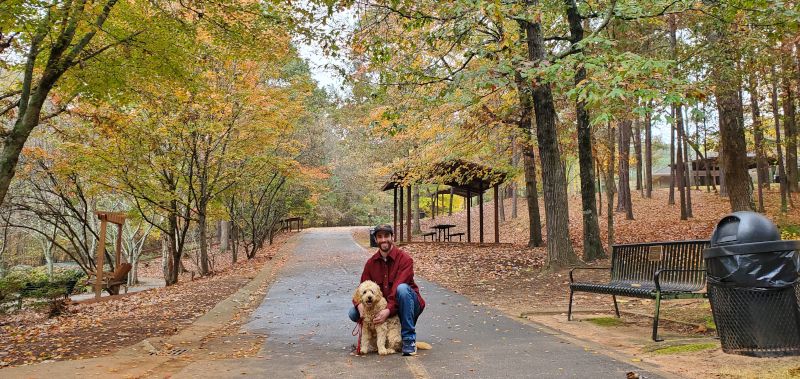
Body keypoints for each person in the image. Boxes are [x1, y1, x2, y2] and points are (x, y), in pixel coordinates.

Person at [349, 224, 425, 356]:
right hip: (385, 307)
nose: (383, 239)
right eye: (380, 237)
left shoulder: (405, 259)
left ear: (392, 237)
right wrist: (358, 304)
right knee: (353, 313)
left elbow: (397, 289)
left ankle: (408, 340)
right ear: (376, 240)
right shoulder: (371, 263)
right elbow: (362, 288)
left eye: (386, 236)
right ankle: (374, 341)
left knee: (401, 289)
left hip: (408, 304)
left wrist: (387, 311)